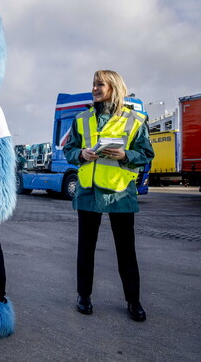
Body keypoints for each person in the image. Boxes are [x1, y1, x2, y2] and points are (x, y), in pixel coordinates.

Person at [63, 70, 154, 322]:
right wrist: (81, 153)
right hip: (88, 191)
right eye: (93, 83)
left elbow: (146, 154)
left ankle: (133, 301)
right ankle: (83, 296)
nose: (94, 88)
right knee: (85, 249)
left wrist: (125, 155)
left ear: (114, 87)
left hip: (119, 193)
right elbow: (68, 149)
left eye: (99, 84)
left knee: (126, 251)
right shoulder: (81, 119)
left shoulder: (135, 119)